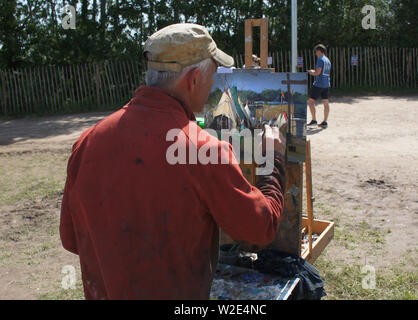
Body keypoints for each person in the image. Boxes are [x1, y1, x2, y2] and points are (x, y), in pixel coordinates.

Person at [59, 23, 287, 300]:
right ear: (192, 79)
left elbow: (72, 239)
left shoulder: (87, 142)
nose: (214, 85)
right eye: (213, 76)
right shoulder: (205, 151)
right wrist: (272, 160)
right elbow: (260, 227)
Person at [307, 44, 332, 129]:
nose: (315, 53)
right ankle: (325, 122)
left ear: (319, 51)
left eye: (316, 51)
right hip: (326, 84)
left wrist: (311, 72)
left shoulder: (320, 60)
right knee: (326, 102)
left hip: (319, 84)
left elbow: (317, 72)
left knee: (310, 102)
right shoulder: (327, 60)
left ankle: (314, 120)